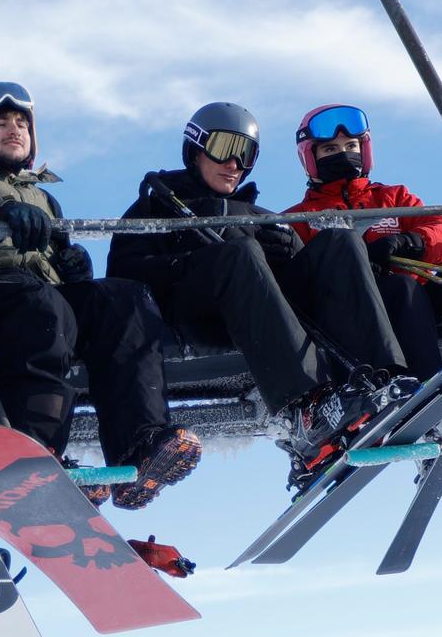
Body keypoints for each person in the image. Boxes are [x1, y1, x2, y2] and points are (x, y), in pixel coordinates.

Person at [0, 82, 202, 512]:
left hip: (44, 294)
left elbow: (58, 250)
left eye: (22, 122)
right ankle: (37, 453)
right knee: (42, 308)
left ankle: (140, 443)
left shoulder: (44, 196)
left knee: (123, 298)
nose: (14, 129)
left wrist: (72, 262)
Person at [107, 102, 416, 484]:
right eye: (224, 148)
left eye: (246, 153)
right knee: (239, 253)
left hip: (255, 317)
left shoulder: (259, 215)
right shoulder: (155, 207)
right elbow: (123, 278)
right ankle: (302, 410)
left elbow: (297, 286)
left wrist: (291, 251)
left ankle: (383, 383)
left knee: (340, 240)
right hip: (188, 312)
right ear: (195, 149)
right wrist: (192, 251)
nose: (235, 163)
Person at [283, 103, 442, 405]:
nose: (344, 154)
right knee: (401, 287)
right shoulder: (301, 218)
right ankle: (428, 390)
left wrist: (412, 241)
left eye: (351, 146)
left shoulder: (392, 199)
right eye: (330, 149)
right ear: (311, 158)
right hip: (362, 318)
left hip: (420, 306)